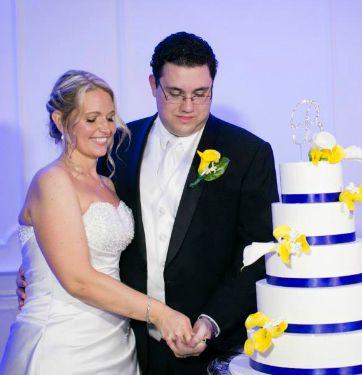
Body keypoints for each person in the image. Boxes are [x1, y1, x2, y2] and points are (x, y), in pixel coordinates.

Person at [17, 32, 279, 374]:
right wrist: (37, 268)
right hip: (130, 342)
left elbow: (257, 254)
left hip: (206, 350)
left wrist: (211, 322)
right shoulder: (116, 148)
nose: (188, 106)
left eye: (201, 94)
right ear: (153, 84)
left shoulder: (248, 154)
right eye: (175, 94)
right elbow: (65, 227)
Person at [2, 70, 193, 375]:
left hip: (116, 343)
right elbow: (77, 279)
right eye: (91, 119)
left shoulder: (108, 184)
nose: (105, 128)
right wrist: (158, 313)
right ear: (59, 121)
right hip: (63, 345)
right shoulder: (51, 181)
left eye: (109, 117)